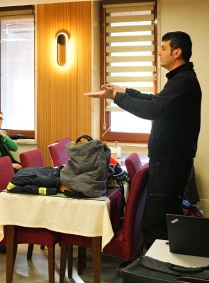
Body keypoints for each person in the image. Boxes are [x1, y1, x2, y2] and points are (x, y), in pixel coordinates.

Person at [85, 31, 201, 249]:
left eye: (164, 48)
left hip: (170, 164)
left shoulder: (184, 81)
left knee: (156, 225)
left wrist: (117, 97)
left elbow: (152, 109)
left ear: (177, 52)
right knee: (160, 221)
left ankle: (156, 268)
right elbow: (154, 100)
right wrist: (123, 91)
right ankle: (160, 265)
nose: (159, 53)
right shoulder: (180, 80)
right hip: (168, 163)